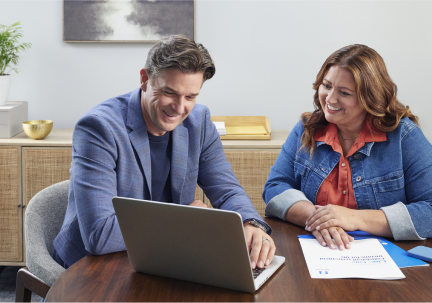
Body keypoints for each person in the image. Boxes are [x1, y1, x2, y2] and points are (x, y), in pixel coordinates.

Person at [53, 35, 275, 270]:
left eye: (190, 97)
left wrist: (252, 224)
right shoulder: (99, 128)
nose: (180, 108)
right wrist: (186, 221)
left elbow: (227, 191)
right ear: (144, 79)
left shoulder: (199, 122)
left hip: (162, 257)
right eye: (170, 93)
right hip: (92, 268)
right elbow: (99, 234)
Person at [263, 44, 432, 251]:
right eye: (326, 86)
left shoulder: (405, 137)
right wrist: (318, 218)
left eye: (344, 93)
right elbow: (275, 187)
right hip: (317, 252)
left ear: (370, 98)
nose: (330, 99)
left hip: (386, 260)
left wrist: (354, 218)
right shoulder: (306, 128)